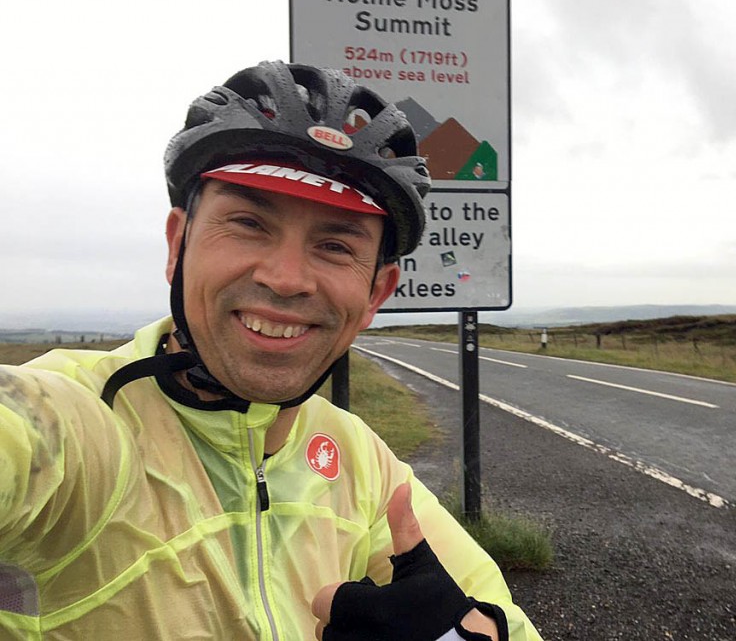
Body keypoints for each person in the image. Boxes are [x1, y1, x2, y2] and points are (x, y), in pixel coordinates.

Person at [0, 61, 542, 640]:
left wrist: (469, 636)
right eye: (249, 223)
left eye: (335, 245)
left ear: (375, 294)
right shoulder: (79, 424)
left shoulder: (362, 463)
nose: (286, 279)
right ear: (177, 245)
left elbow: (500, 615)